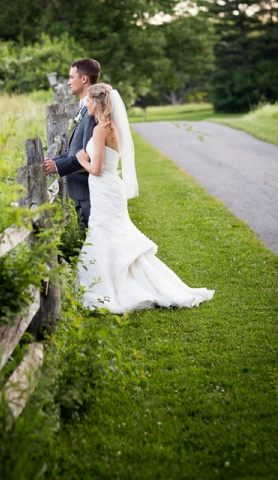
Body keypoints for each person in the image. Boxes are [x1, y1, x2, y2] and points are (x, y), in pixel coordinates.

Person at [75, 83, 215, 314]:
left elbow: (97, 168)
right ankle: (120, 280)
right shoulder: (111, 127)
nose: (86, 104)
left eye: (89, 100)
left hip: (104, 187)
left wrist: (82, 160)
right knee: (111, 234)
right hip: (110, 189)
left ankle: (108, 287)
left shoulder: (101, 129)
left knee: (103, 233)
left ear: (97, 102)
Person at [44, 58, 101, 229]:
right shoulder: (84, 107)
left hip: (88, 190)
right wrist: (55, 162)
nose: (68, 82)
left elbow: (86, 155)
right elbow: (74, 150)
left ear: (84, 79)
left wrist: (56, 167)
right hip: (82, 190)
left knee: (93, 242)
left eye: (71, 77)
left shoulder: (91, 111)